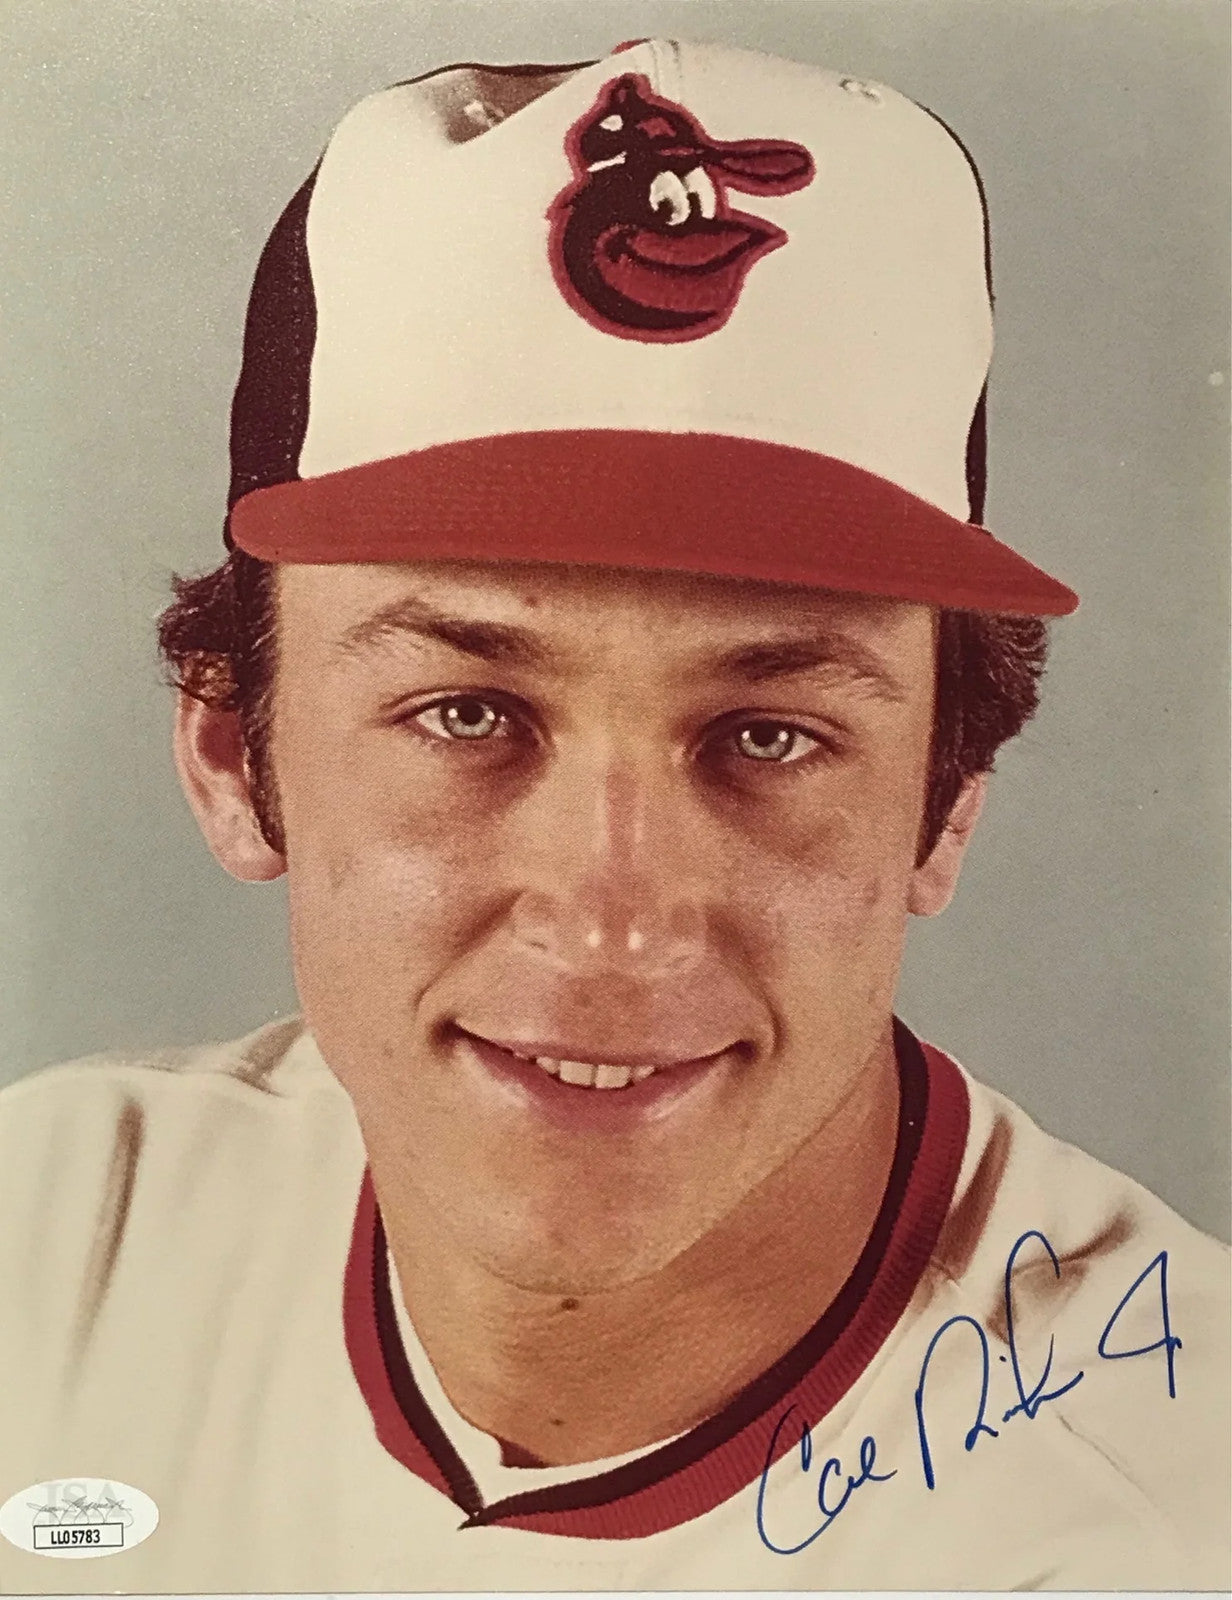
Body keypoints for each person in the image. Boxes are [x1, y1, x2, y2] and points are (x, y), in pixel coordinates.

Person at [0, 36, 1227, 1594]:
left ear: (944, 808)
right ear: (237, 759)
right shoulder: (47, 1246)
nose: (611, 924)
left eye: (769, 736)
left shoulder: (1172, 1519)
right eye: (468, 714)